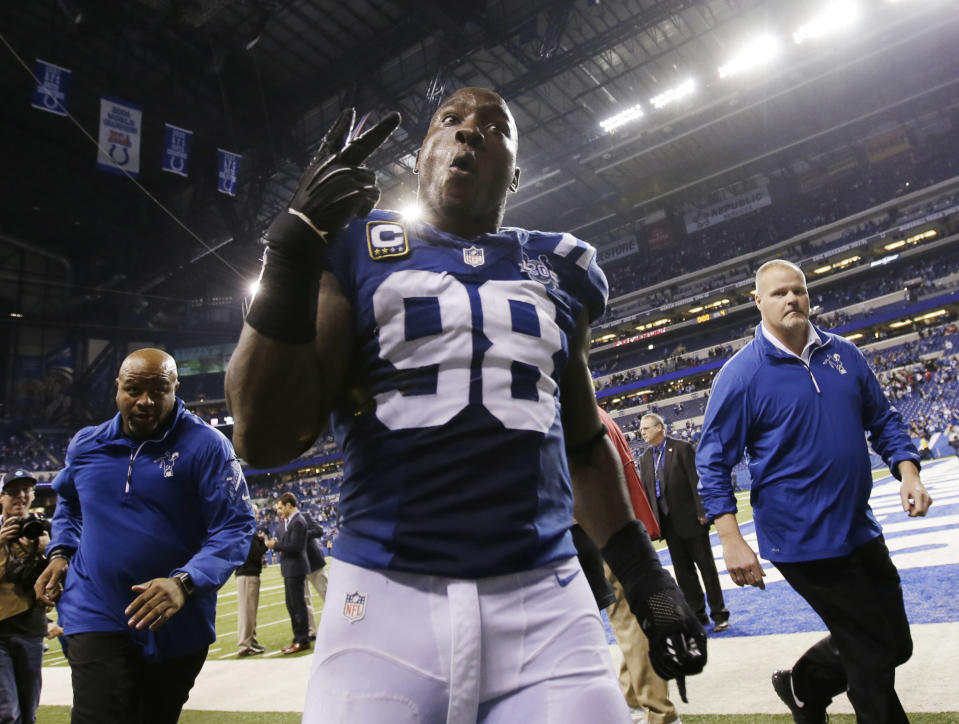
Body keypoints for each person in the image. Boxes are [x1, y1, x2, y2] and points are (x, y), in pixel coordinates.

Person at [226, 87, 706, 723]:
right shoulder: (357, 251)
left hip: (545, 599)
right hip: (385, 598)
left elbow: (584, 442)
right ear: (421, 154)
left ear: (514, 167)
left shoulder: (560, 266)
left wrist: (642, 573)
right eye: (449, 121)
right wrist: (288, 255)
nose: (469, 132)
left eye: (493, 126)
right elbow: (262, 437)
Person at [696, 259, 932, 724]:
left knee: (894, 643)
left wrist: (908, 471)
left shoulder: (844, 353)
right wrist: (730, 538)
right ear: (757, 301)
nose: (791, 299)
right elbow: (712, 461)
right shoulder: (742, 375)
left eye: (798, 290)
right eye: (779, 292)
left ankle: (803, 684)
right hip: (801, 537)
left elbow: (882, 419)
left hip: (857, 525)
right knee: (869, 652)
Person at [33, 348, 255, 724]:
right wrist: (60, 552)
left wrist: (184, 582)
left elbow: (236, 525)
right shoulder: (86, 445)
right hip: (96, 609)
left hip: (177, 622)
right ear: (117, 387)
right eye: (133, 389)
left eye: (159, 391)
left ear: (175, 389)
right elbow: (69, 503)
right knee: (98, 714)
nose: (145, 401)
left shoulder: (207, 445)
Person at [597, 409, 681, 724]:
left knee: (632, 623)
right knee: (627, 623)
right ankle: (632, 700)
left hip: (607, 531)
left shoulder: (579, 417)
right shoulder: (599, 415)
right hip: (621, 529)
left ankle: (660, 711)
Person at [638, 413, 729, 633]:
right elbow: (647, 492)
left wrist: (702, 511)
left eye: (646, 428)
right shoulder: (645, 458)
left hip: (691, 518)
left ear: (660, 427)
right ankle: (698, 615)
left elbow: (694, 481)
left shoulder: (682, 448)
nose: (642, 433)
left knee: (706, 567)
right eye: (641, 430)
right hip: (667, 523)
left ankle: (719, 614)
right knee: (683, 573)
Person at [0, 470, 48, 724]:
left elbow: (58, 581)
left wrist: (46, 551)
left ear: (32, 496)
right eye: (13, 491)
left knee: (28, 713)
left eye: (26, 491)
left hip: (30, 628)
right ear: (1, 497)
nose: (20, 496)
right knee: (7, 713)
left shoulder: (43, 531)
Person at [266, 492, 311, 654]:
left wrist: (274, 545)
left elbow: (294, 547)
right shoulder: (291, 522)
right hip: (290, 568)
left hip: (296, 568)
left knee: (297, 605)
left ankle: (303, 639)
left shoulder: (298, 521)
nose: (278, 511)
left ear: (289, 505)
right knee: (291, 605)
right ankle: (297, 638)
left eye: (280, 507)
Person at [236, 510, 267, 657]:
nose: (257, 515)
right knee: (247, 612)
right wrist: (264, 544)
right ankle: (245, 645)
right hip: (247, 574)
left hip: (247, 574)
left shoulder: (245, 529)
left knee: (250, 612)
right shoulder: (247, 529)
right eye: (255, 512)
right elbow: (255, 553)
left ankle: (251, 641)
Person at [301, 510, 328, 639]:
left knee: (328, 594)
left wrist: (302, 534)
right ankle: (311, 631)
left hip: (313, 562)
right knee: (304, 601)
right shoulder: (283, 524)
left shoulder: (304, 516)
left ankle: (341, 623)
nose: (279, 511)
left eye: (280, 507)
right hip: (299, 566)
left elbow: (319, 530)